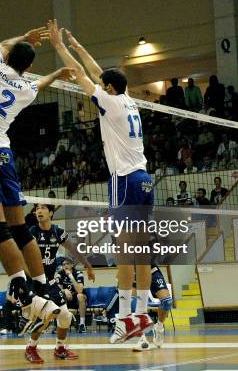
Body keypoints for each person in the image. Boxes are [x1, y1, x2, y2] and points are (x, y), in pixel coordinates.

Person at [0, 26, 73, 333]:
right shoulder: (26, 87)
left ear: (7, 56)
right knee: (19, 228)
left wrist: (24, 36)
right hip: (4, 154)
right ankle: (43, 288)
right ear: (29, 68)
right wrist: (56, 75)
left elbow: (1, 43)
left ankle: (23, 292)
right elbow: (39, 83)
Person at [48, 20, 154, 343]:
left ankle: (123, 319)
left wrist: (60, 48)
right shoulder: (129, 100)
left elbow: (82, 75)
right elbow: (96, 72)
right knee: (142, 252)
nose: (100, 84)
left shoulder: (108, 102)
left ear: (108, 88)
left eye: (103, 84)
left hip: (123, 180)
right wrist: (80, 48)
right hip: (145, 179)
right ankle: (142, 315)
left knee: (124, 251)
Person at [24, 204, 95, 364]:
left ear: (51, 212)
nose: (39, 211)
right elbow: (21, 257)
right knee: (45, 316)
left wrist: (88, 267)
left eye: (42, 208)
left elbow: (75, 250)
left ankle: (60, 348)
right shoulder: (32, 232)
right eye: (36, 208)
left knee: (65, 316)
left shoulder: (58, 231)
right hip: (36, 282)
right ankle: (31, 348)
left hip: (50, 281)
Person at [105, 265, 172, 351]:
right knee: (132, 302)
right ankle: (142, 339)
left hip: (151, 269)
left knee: (167, 301)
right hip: (133, 272)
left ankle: (159, 327)